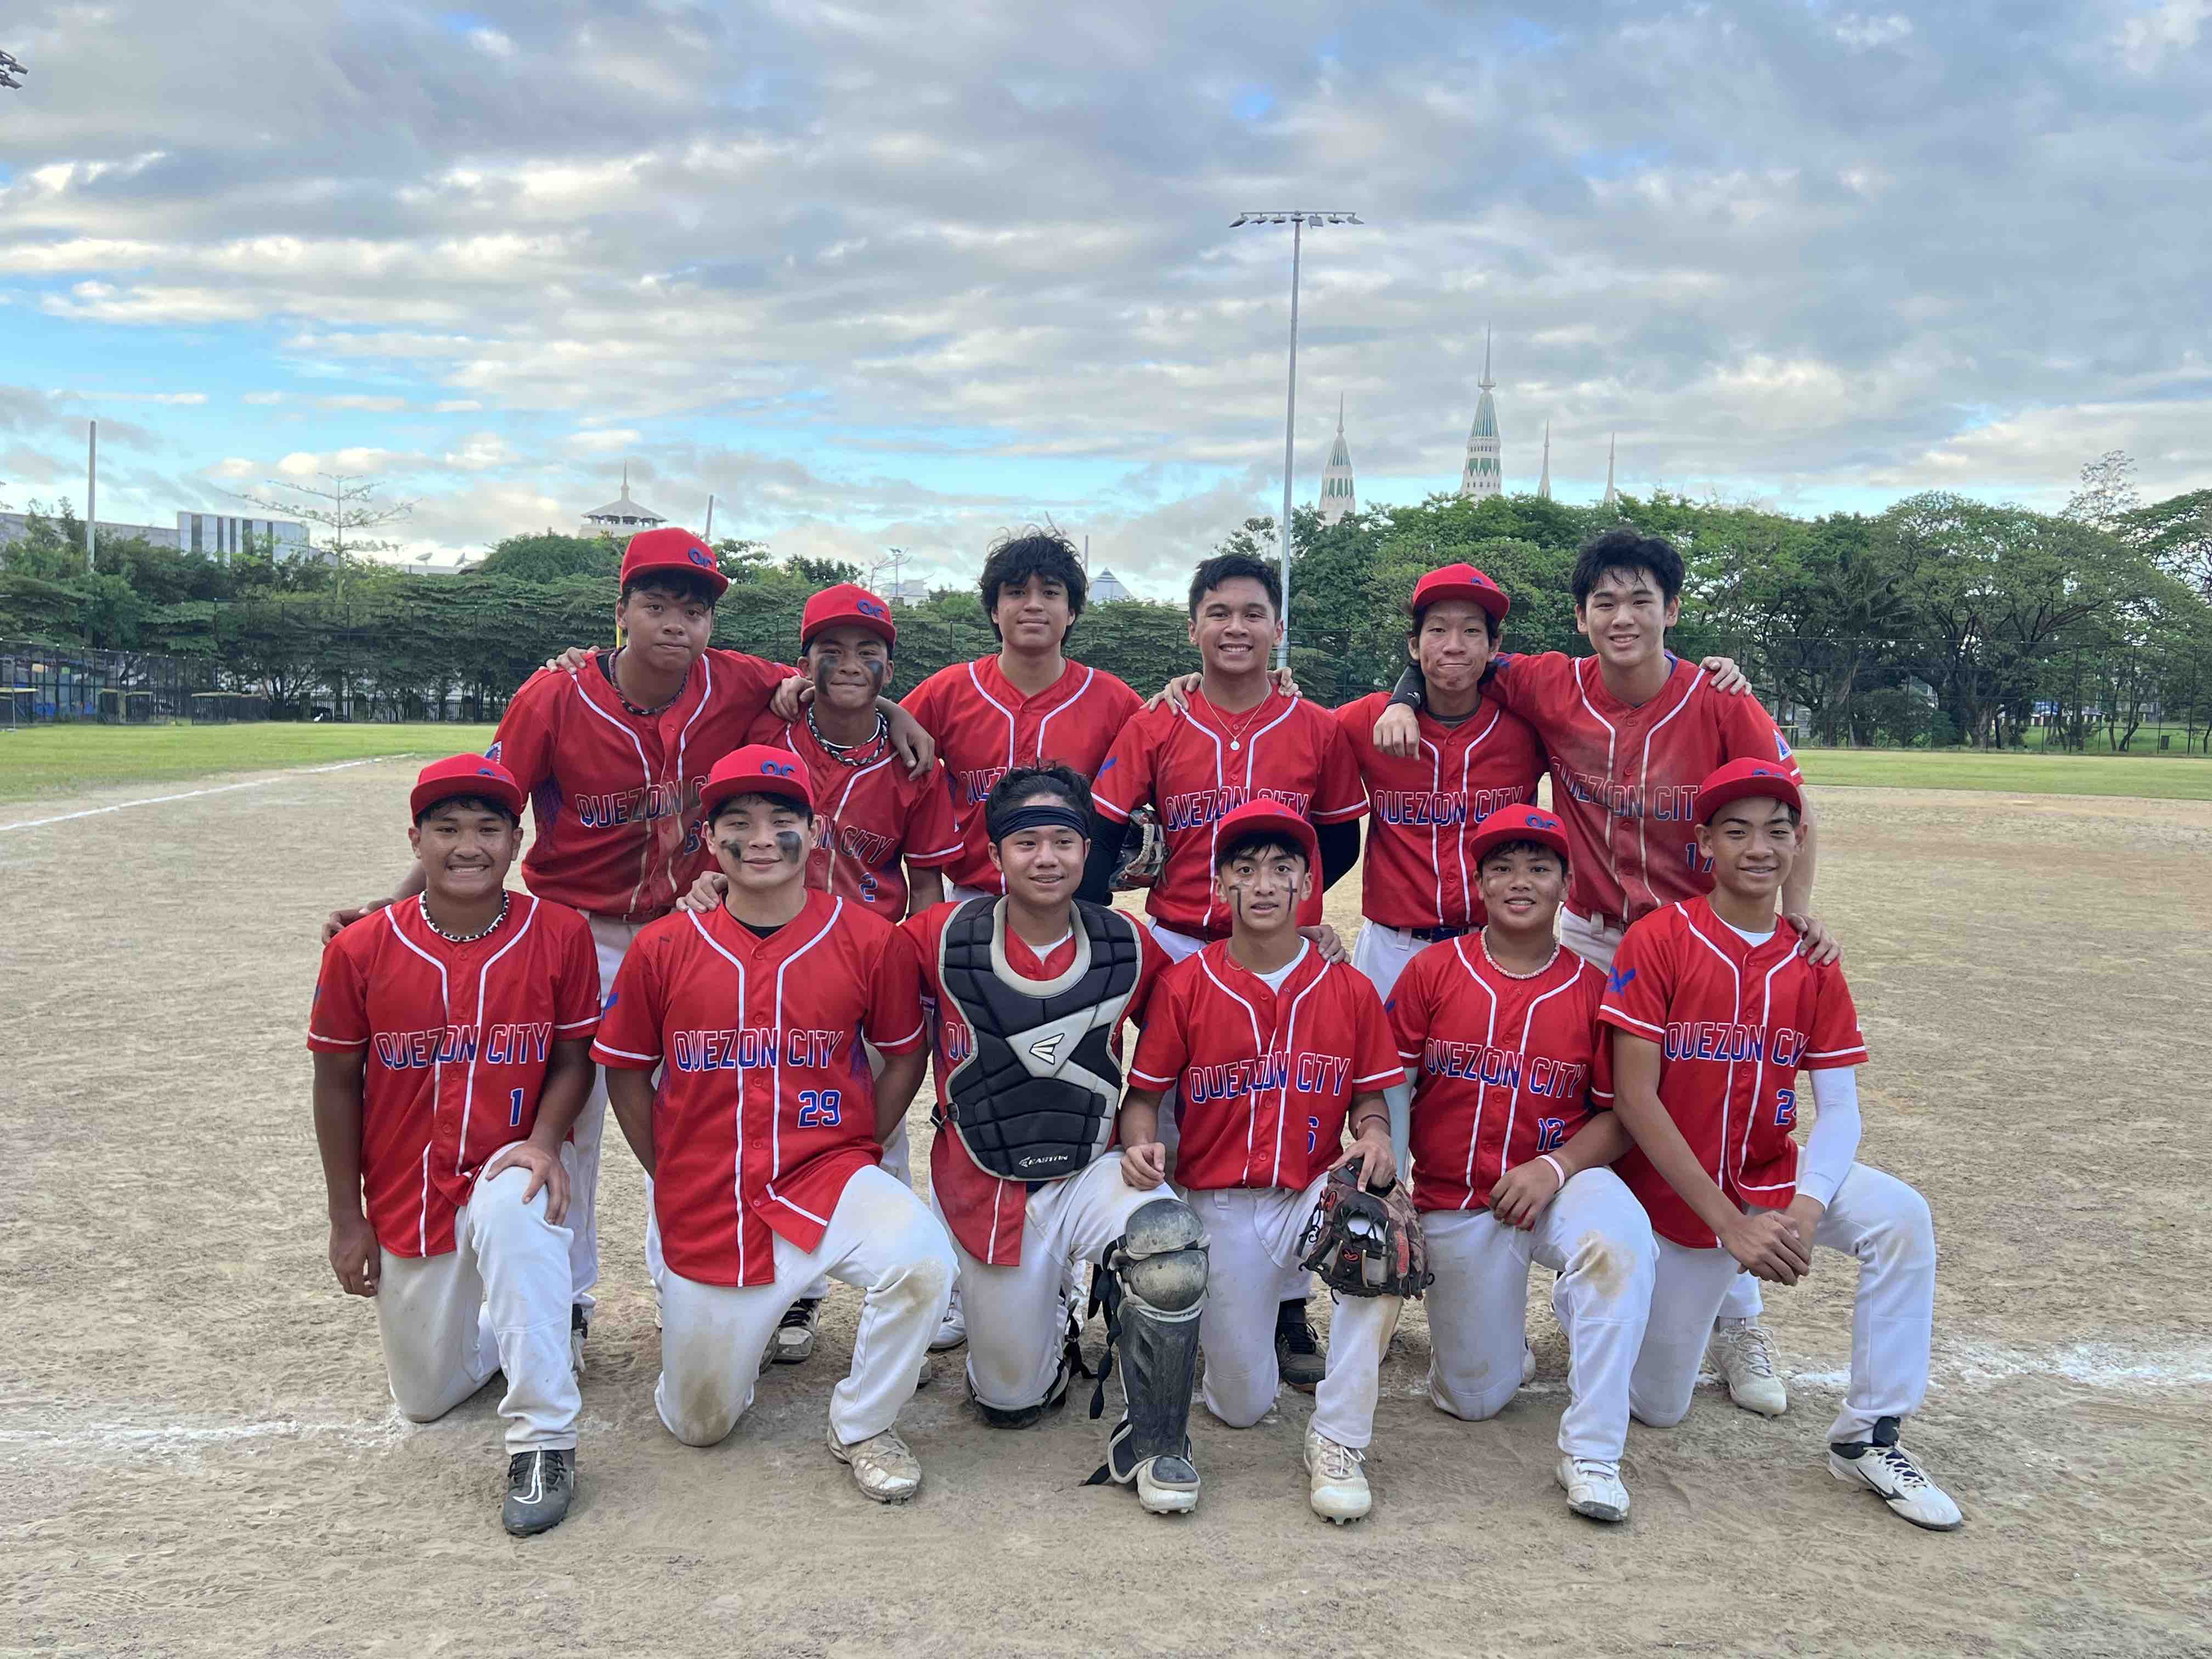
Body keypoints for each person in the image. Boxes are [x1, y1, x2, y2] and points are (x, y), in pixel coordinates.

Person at [320, 527, 935, 1363]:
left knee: (704, 1102)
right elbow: (485, 809)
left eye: (694, 610)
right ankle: (566, 1300)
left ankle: (720, 1285)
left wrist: (895, 712)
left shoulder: (737, 679)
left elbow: (833, 684)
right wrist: (394, 908)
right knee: (568, 1120)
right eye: (655, 605)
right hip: (577, 926)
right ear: (620, 612)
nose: (676, 623)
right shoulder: (555, 694)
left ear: (711, 622)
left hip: (688, 923)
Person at [1375, 525, 1830, 1418]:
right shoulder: (1550, 680)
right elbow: (1457, 659)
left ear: (1673, 610)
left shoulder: (1719, 699)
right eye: (1605, 601)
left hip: (1693, 941)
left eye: (1641, 600)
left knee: (1708, 1120)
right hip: (1588, 931)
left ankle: (1736, 1312)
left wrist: (1795, 909)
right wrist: (1399, 693)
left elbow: (1794, 808)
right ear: (1581, 615)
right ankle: (1559, 1269)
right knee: (1590, 1104)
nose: (1623, 617)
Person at [1601, 758, 1962, 1531]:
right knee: (1657, 1406)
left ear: (1799, 844)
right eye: (1737, 832)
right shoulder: (1658, 939)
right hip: (1677, 1207)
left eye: (1777, 831)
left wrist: (1808, 1205)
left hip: (1770, 1178)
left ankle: (1869, 1436)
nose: (1759, 848)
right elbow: (1634, 1098)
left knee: (1901, 1217)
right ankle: (1644, 1312)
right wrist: (1730, 1225)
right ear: (1705, 844)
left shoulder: (1813, 960)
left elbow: (1840, 1109)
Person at [591, 745, 955, 1503]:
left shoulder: (869, 939)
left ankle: (863, 1423)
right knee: (700, 1426)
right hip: (710, 1199)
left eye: (781, 819)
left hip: (825, 1177)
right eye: (738, 822)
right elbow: (625, 1071)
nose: (760, 838)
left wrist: (861, 1146)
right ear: (709, 838)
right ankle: (727, 1338)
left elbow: (903, 1055)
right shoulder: (663, 946)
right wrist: (668, 1168)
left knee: (922, 1259)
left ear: (815, 832)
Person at [1306, 804, 1656, 1526]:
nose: (1519, 881)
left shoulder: (1594, 988)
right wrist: (1393, 1173)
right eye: (1502, 868)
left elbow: (1623, 1114)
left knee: (1620, 1236)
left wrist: (1556, 1169)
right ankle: (1494, 1345)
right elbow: (1390, 1080)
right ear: (1480, 883)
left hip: (1556, 1189)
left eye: (1539, 867)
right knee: (1474, 1399)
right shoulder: (1435, 970)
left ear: (1567, 885)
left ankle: (1593, 1453)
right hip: (1456, 1203)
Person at [1084, 554, 1368, 1390]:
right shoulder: (1158, 720)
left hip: (1279, 951)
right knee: (1170, 1119)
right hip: (1179, 940)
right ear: (1193, 628)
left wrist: (1294, 913)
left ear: (1277, 627)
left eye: (1251, 612)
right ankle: (1153, 1288)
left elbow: (1340, 836)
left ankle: (1284, 1303)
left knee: (1288, 1114)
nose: (1235, 627)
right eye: (1218, 612)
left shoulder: (1316, 727)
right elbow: (1104, 831)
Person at [894, 764, 1205, 1513]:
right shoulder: (937, 936)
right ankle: (1055, 1333)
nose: (1046, 858)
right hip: (986, 1184)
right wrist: (715, 896)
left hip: (1093, 1165)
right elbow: (838, 970)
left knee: (1167, 1244)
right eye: (1025, 842)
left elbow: (1206, 1006)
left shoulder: (1127, 943)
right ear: (994, 854)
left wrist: (1299, 943)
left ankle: (1157, 1440)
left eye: (1063, 842)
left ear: (1086, 850)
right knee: (1009, 1403)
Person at [308, 755, 602, 1536]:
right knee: (425, 1399)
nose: (468, 846)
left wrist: (544, 1142)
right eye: (446, 829)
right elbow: (335, 1084)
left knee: (517, 1209)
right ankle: (526, 1324)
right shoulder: (361, 948)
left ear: (516, 842)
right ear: (416, 841)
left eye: (488, 829)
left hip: (509, 1161)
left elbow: (574, 1059)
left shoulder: (561, 932)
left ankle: (543, 1442)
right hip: (408, 1186)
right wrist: (347, 1219)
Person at [677, 582, 963, 1367]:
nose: (849, 664)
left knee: (879, 1134)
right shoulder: (765, 727)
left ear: (890, 668)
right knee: (765, 1122)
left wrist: (922, 969)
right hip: (763, 956)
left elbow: (928, 882)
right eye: (829, 651)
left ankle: (892, 1307)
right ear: (802, 664)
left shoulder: (912, 759)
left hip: (866, 962)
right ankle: (790, 1294)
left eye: (869, 652)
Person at [1118, 800, 1401, 1438]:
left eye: (1282, 868)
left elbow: (1368, 1096)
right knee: (1241, 1407)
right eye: (1245, 869)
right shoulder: (1186, 985)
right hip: (1222, 1205)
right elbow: (1143, 1100)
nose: (1265, 884)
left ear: (1308, 883)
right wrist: (1138, 1145)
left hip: (1311, 1195)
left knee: (1381, 1243)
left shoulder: (1349, 988)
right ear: (1221, 887)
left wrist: (1376, 1134)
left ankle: (1339, 1436)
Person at [1331, 563, 1545, 1167]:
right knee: (1381, 1104)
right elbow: (1286, 727)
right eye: (1438, 630)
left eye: (1472, 631)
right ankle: (1383, 1217)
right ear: (1413, 644)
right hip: (1394, 946)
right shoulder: (1366, 720)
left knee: (1477, 1108)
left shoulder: (1528, 727)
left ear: (1496, 648)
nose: (1454, 645)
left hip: (1490, 947)